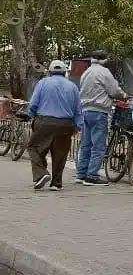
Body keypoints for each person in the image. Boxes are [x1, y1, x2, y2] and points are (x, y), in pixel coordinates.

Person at [26, 60, 83, 191]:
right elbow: (78, 109)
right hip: (65, 124)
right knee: (60, 153)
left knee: (34, 148)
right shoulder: (72, 87)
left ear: (50, 72)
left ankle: (41, 174)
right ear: (64, 72)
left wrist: (31, 114)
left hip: (44, 122)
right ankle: (56, 183)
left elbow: (33, 103)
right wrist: (78, 125)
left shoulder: (43, 83)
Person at [76, 49, 126, 186]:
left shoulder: (86, 73)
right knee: (98, 146)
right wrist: (123, 95)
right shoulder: (104, 72)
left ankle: (81, 174)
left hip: (85, 111)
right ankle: (91, 176)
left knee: (86, 144)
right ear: (104, 59)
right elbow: (114, 90)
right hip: (99, 111)